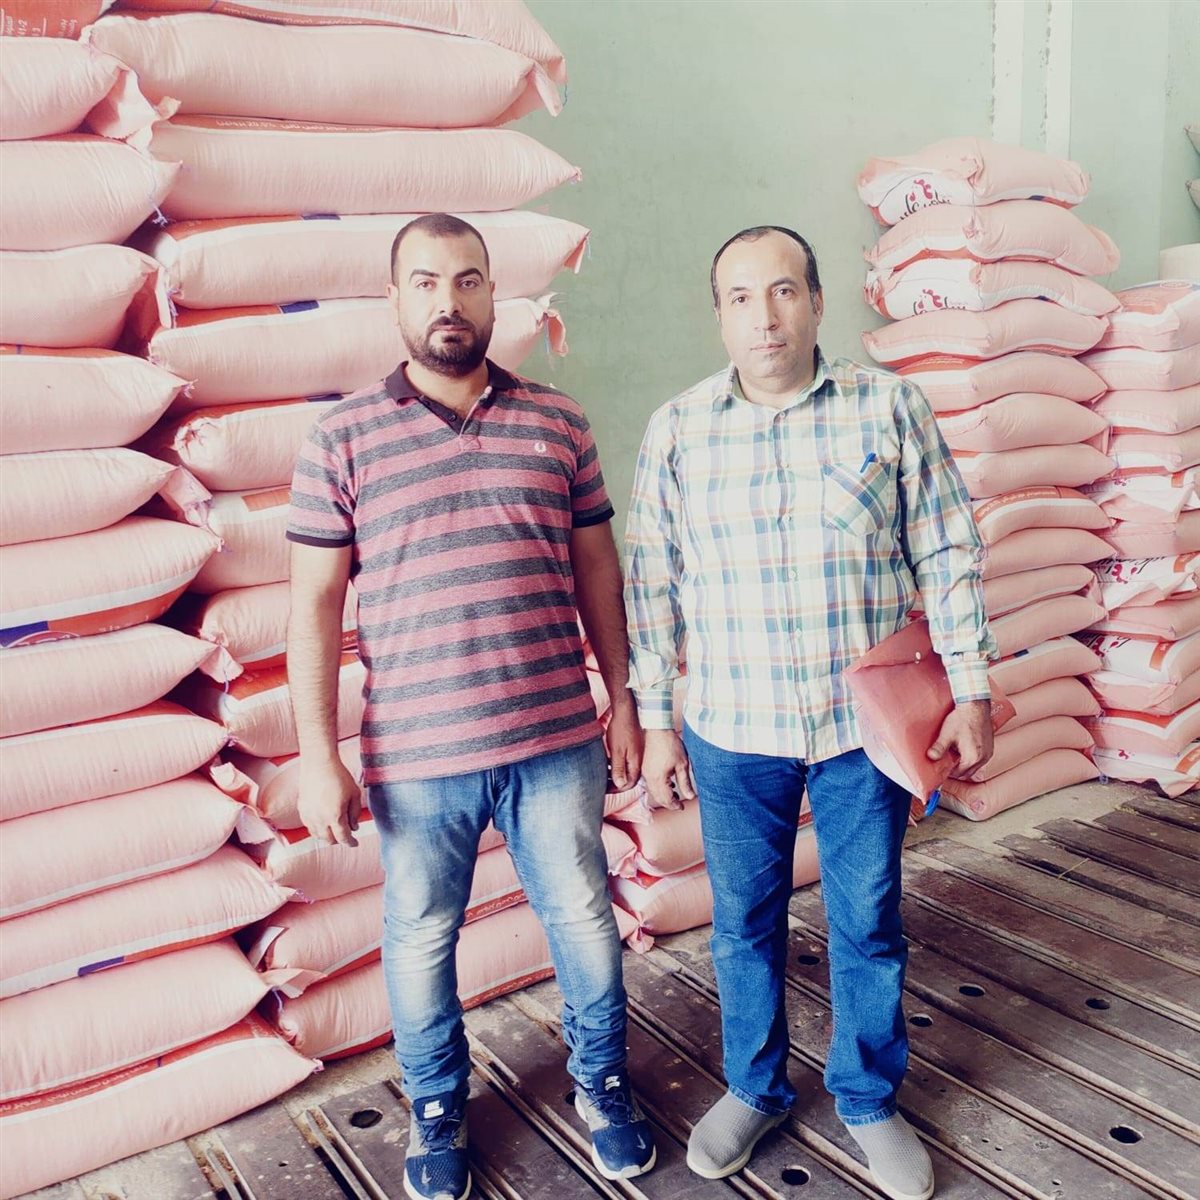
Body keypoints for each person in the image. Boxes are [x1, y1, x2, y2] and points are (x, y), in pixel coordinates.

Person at [286, 213, 656, 1200]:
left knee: (584, 919)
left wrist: (622, 697)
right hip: (416, 754)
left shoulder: (559, 423)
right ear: (394, 301)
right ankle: (438, 1107)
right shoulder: (342, 438)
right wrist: (318, 754)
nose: (448, 301)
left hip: (555, 740)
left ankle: (603, 1082)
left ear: (495, 295)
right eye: (425, 282)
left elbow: (597, 568)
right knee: (419, 936)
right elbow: (313, 605)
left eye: (467, 280)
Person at [623, 226, 995, 1200]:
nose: (766, 317)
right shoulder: (680, 429)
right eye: (742, 297)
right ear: (718, 315)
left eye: (784, 291)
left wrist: (973, 688)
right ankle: (754, 1086)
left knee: (867, 919)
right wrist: (655, 721)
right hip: (732, 728)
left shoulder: (889, 406)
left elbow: (947, 551)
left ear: (818, 302)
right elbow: (652, 585)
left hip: (858, 733)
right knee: (743, 922)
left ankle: (867, 1098)